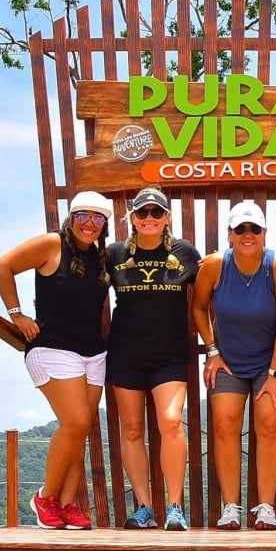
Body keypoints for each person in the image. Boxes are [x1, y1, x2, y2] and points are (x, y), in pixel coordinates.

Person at [0, 190, 114, 530]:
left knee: (81, 431)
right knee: (75, 423)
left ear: (104, 224)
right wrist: (16, 314)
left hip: (93, 352)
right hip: (53, 348)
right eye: (83, 216)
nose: (89, 223)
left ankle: (66, 505)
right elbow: (4, 265)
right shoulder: (51, 244)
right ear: (71, 218)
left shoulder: (100, 256)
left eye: (97, 218)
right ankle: (45, 497)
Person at [191, 200, 276, 529]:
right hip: (229, 362)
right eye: (241, 229)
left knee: (268, 427)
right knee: (224, 427)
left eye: (254, 229)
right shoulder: (214, 265)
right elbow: (198, 308)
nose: (247, 235)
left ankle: (266, 507)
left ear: (264, 233)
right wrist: (212, 350)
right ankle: (231, 507)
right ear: (230, 234)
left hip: (272, 363)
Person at [106, 187, 201, 531]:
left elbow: (209, 293)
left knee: (171, 422)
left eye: (155, 213)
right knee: (131, 429)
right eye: (142, 213)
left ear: (166, 218)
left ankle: (175, 506)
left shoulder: (185, 253)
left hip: (170, 355)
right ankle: (144, 506)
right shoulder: (114, 254)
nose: (149, 219)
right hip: (125, 354)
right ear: (132, 217)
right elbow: (82, 287)